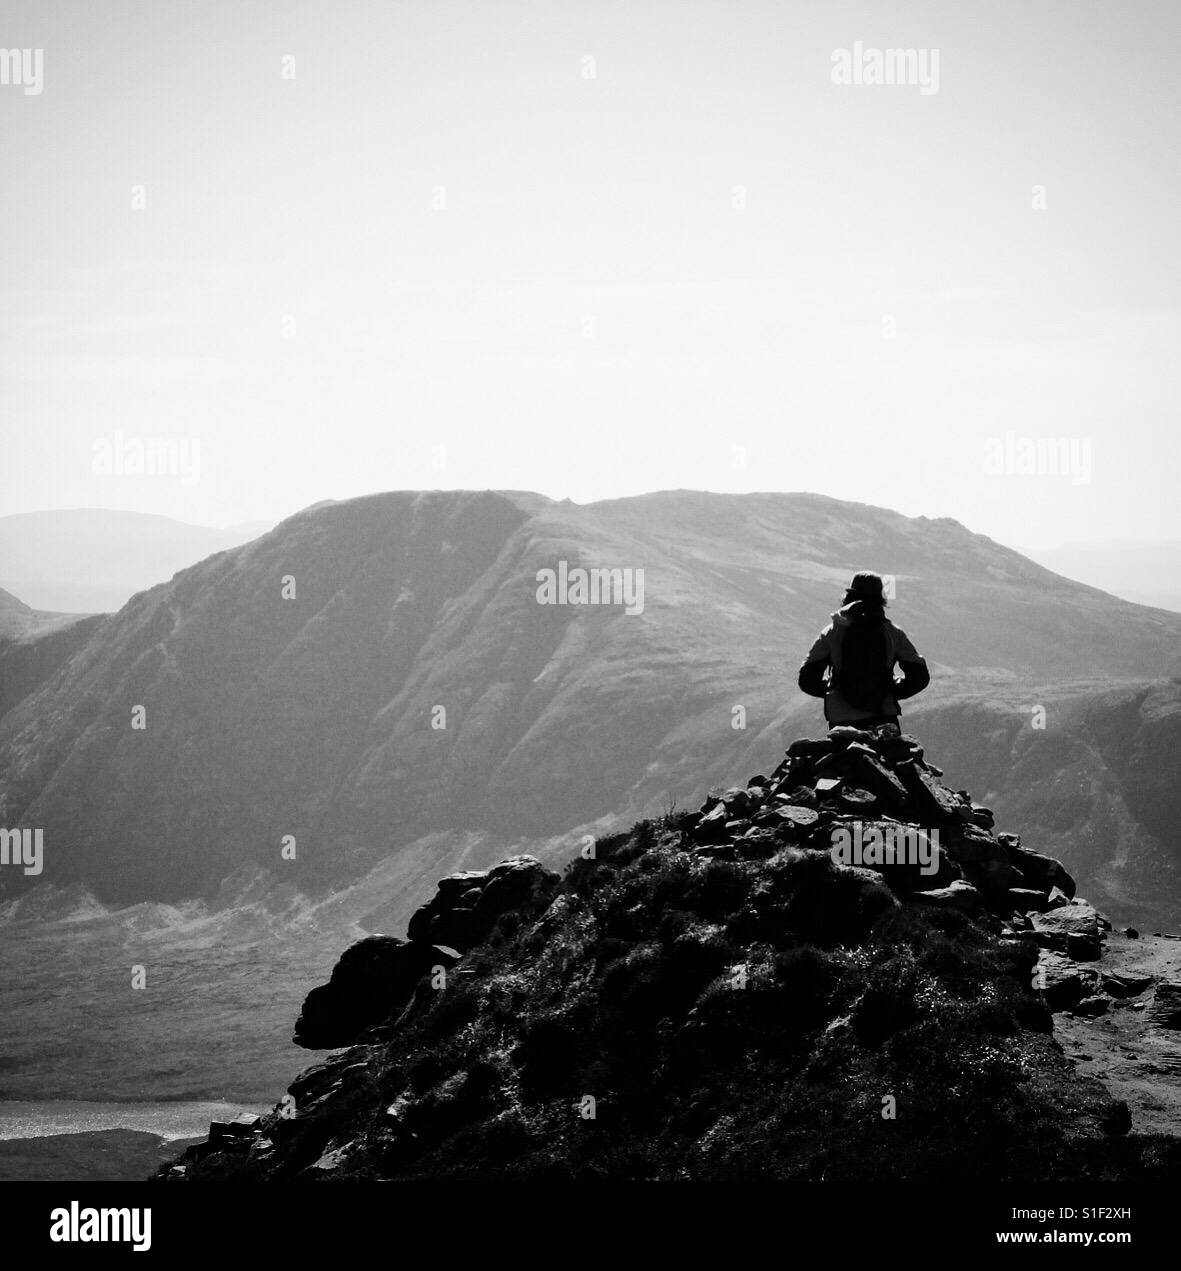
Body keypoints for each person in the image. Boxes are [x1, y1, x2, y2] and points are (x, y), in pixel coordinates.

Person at [797, 571, 929, 730]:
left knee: (847, 754)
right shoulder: (893, 633)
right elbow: (920, 677)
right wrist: (889, 690)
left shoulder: (831, 632)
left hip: (842, 720)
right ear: (881, 599)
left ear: (849, 597)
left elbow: (807, 679)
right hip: (884, 716)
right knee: (889, 754)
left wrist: (834, 688)